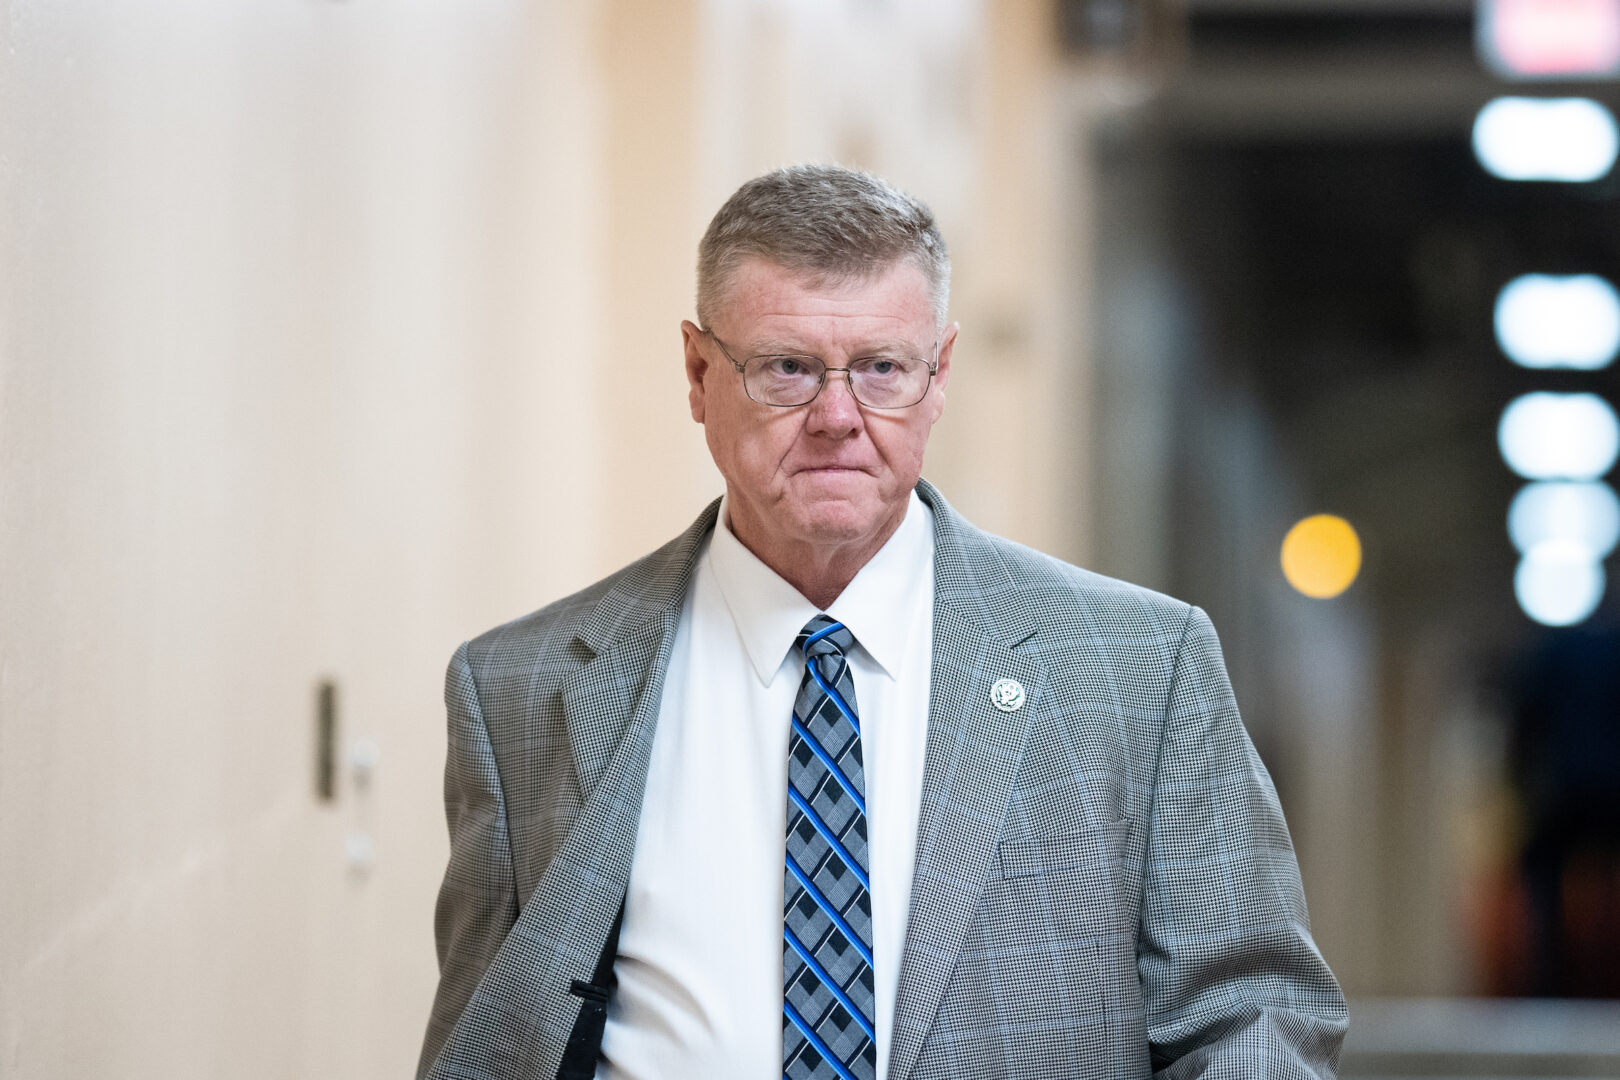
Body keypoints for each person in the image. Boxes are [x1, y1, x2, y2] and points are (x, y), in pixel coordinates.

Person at [416, 165, 1347, 1080]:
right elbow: (486, 1045)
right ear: (700, 374)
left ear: (938, 376)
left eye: (881, 369)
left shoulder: (1140, 668)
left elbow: (1255, 1013)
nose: (836, 417)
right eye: (786, 369)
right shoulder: (523, 690)